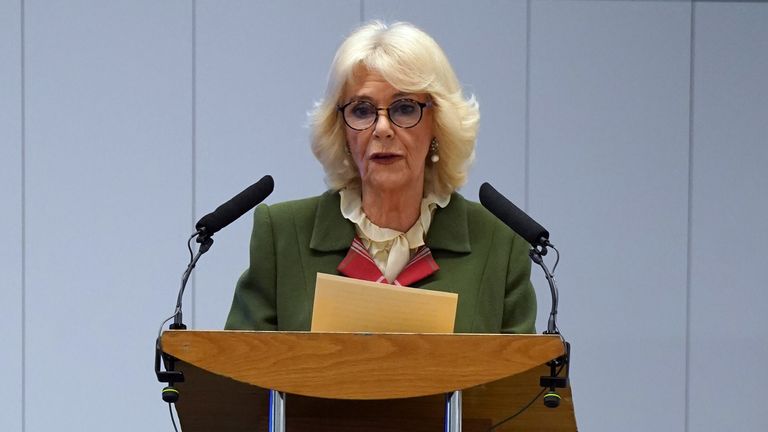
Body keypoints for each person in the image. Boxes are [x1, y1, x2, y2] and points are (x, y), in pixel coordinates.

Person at [225, 21, 536, 333]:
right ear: (342, 131)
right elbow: (236, 370)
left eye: (404, 108)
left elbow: (524, 379)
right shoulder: (283, 236)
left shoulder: (498, 243)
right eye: (362, 110)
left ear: (438, 124)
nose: (383, 128)